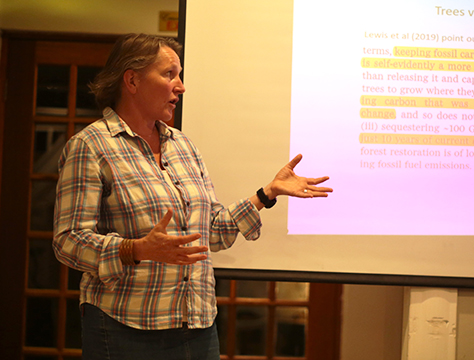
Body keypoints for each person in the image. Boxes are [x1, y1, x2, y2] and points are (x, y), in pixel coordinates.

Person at [52, 33, 332, 360]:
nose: (181, 86)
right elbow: (67, 241)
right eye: (169, 74)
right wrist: (136, 249)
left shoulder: (183, 147)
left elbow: (210, 233)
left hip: (197, 326)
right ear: (132, 80)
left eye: (179, 75)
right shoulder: (91, 146)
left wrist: (265, 194)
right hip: (124, 325)